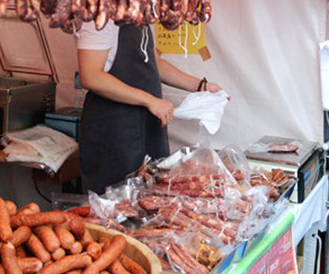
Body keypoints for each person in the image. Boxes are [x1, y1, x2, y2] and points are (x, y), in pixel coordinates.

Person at [76, 22, 224, 193]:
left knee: (152, 194)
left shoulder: (138, 16)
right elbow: (91, 76)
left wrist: (201, 86)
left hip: (148, 124)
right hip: (114, 128)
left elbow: (154, 62)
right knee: (114, 204)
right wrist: (150, 101)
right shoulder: (99, 20)